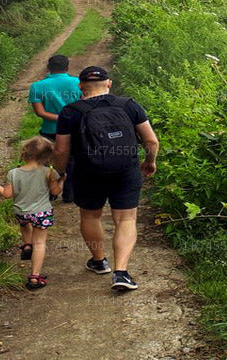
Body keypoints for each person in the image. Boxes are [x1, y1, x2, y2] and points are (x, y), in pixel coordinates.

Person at [53, 66, 159, 292]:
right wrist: (150, 161)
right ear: (109, 83)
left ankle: (99, 262)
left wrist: (60, 172)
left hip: (87, 171)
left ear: (81, 87)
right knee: (126, 219)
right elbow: (151, 141)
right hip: (126, 169)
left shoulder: (71, 112)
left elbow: (61, 151)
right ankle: (121, 272)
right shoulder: (129, 105)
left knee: (91, 215)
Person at [0, 136, 64, 291]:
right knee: (40, 243)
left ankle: (27, 245)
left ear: (24, 153)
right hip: (42, 213)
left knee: (25, 224)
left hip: (21, 212)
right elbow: (56, 191)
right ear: (47, 156)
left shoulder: (14, 173)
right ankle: (35, 277)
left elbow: (7, 194)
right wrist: (61, 180)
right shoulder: (49, 172)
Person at [28, 54, 81, 202]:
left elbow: (40, 112)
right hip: (73, 129)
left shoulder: (37, 86)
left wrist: (59, 118)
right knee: (71, 161)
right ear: (67, 67)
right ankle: (69, 194)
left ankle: (50, 193)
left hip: (49, 130)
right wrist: (68, 119)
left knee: (47, 161)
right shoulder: (78, 83)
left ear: (48, 68)